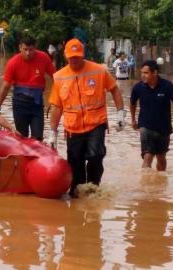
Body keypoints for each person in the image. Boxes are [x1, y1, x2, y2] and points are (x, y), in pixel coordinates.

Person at [47, 38, 125, 196]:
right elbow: (56, 106)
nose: (74, 60)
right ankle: (76, 195)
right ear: (65, 56)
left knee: (95, 156)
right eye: (71, 57)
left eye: (77, 56)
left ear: (82, 54)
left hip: (96, 124)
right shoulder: (59, 77)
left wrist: (120, 114)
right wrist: (52, 133)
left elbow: (115, 90)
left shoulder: (99, 70)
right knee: (75, 164)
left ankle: (93, 188)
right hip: (72, 128)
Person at [0, 36, 55, 141]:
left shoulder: (44, 58)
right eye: (25, 49)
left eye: (31, 50)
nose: (28, 53)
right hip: (19, 105)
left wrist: (54, 100)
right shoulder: (12, 63)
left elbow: (57, 78)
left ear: (35, 48)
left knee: (38, 138)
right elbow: (5, 87)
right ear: (20, 48)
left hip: (37, 105)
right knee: (22, 137)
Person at [130, 60, 173, 171]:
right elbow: (132, 103)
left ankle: (160, 183)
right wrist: (133, 120)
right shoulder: (138, 88)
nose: (143, 76)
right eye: (142, 73)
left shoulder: (167, 86)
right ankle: (146, 186)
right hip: (145, 127)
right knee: (148, 157)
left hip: (164, 129)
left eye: (146, 73)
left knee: (161, 158)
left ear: (154, 73)